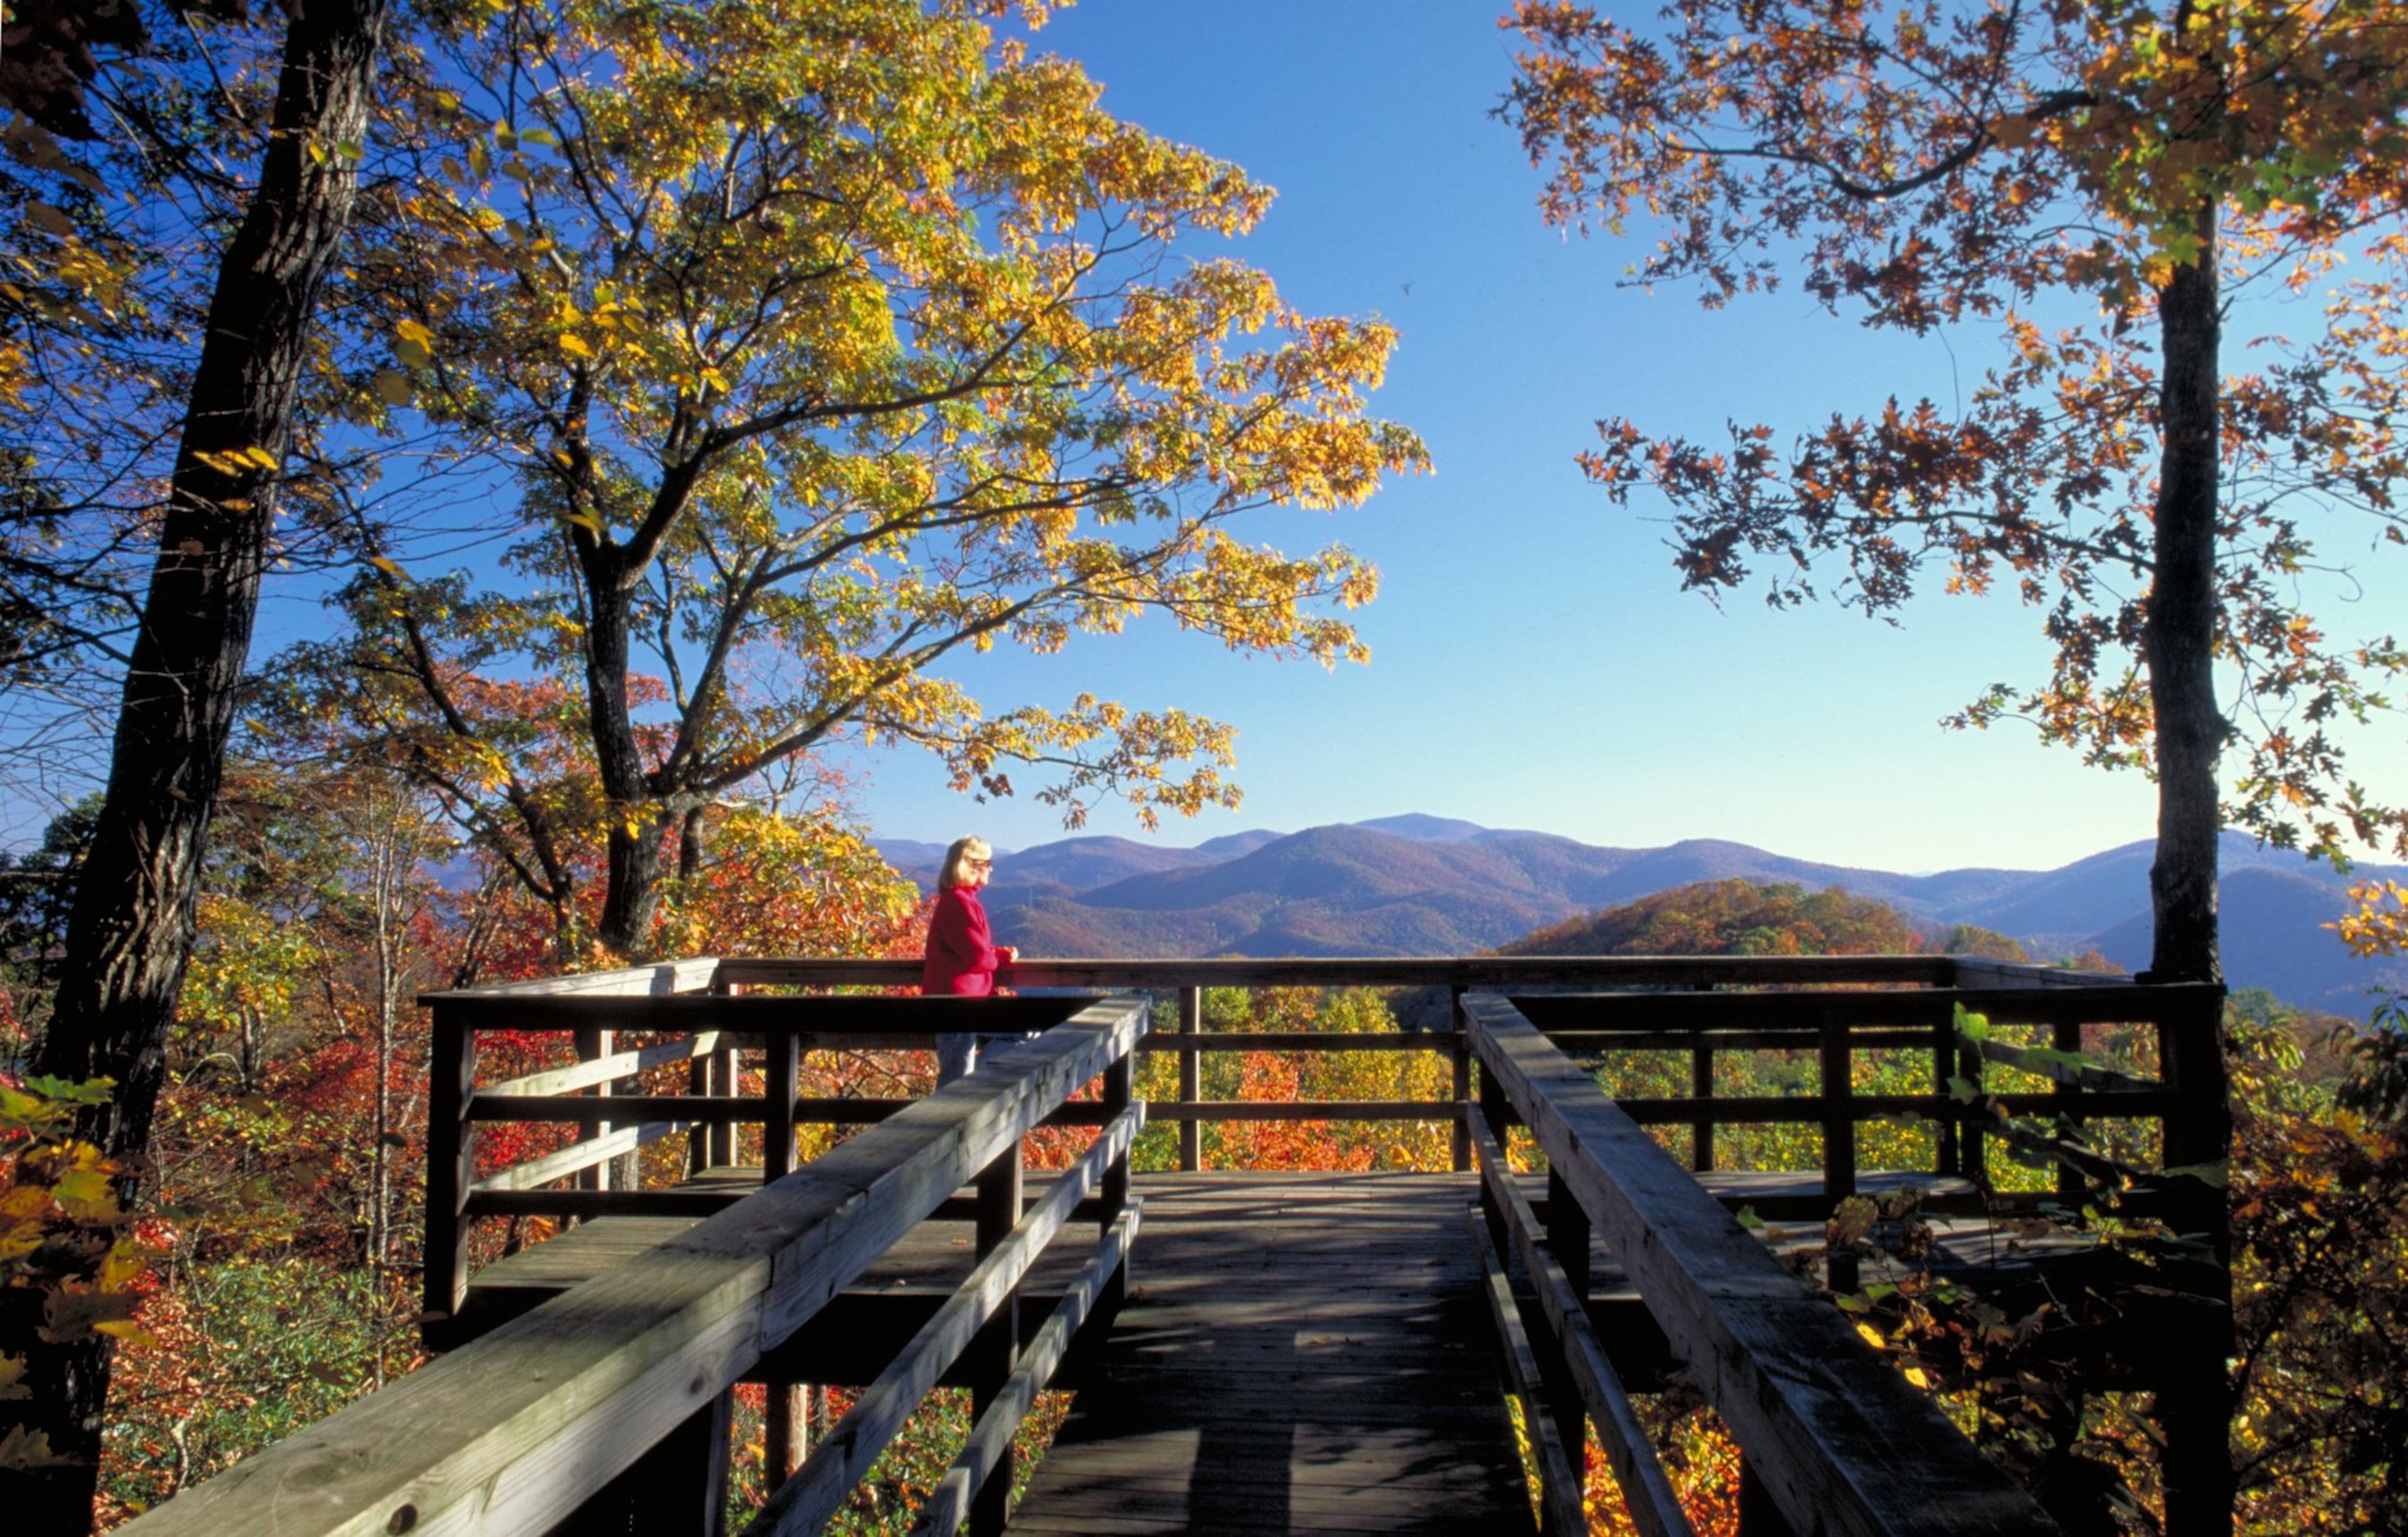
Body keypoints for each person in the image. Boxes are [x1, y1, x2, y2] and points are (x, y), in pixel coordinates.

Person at [921, 835, 1018, 1084]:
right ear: (970, 864)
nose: (991, 868)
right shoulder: (958, 903)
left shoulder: (962, 901)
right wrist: (996, 958)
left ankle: (966, 1087)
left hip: (964, 1004)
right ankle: (949, 1110)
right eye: (987, 862)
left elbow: (974, 950)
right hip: (956, 1006)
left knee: (1023, 1030)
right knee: (955, 1079)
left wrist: (997, 954)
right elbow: (978, 959)